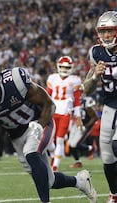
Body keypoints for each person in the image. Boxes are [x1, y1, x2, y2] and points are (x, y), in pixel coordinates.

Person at [0, 57, 97, 203]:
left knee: (31, 153)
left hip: (38, 123)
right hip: (17, 136)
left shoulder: (15, 83)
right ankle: (80, 182)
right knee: (48, 181)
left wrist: (40, 125)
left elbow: (49, 104)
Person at [82, 10, 117, 203]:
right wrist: (95, 75)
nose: (105, 36)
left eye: (110, 31)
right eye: (102, 31)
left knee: (116, 145)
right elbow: (86, 88)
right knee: (107, 157)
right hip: (110, 106)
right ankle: (115, 194)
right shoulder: (96, 52)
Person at [45, 56, 83, 172]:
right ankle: (52, 157)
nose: (64, 69)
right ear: (58, 66)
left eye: (67, 67)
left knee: (60, 139)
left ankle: (55, 166)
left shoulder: (75, 80)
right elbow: (47, 96)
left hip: (65, 112)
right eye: (62, 66)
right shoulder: (52, 78)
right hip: (53, 111)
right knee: (49, 139)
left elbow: (77, 100)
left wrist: (78, 116)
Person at [68, 96, 98, 168]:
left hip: (85, 124)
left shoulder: (86, 101)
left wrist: (86, 126)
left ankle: (91, 148)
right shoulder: (72, 99)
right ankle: (78, 162)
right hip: (78, 122)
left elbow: (95, 117)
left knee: (74, 144)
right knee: (70, 143)